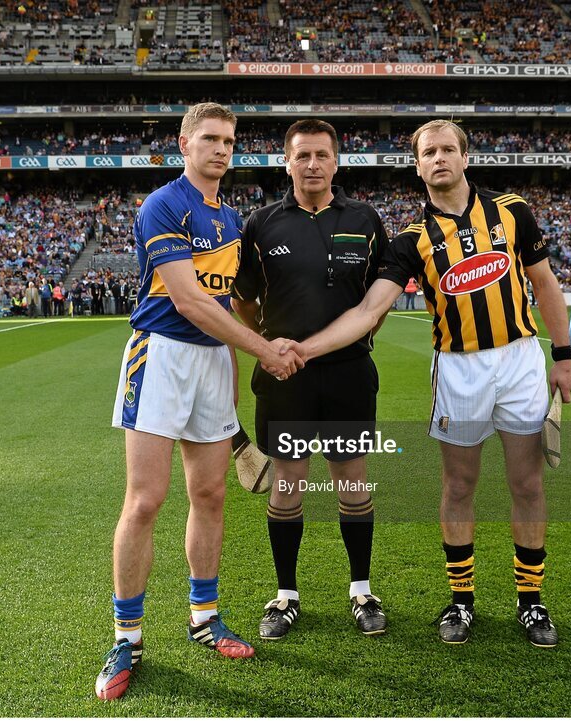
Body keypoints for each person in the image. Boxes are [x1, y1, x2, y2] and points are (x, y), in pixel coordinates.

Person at [280, 120, 571, 648]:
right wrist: (307, 348)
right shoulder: (411, 241)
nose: (438, 159)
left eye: (447, 149)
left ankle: (531, 602)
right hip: (458, 369)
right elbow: (371, 308)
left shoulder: (512, 211)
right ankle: (461, 601)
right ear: (416, 166)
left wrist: (564, 355)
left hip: (521, 361)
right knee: (459, 486)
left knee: (527, 484)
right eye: (428, 152)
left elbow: (544, 282)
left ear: (465, 157)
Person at [95, 103, 304, 702]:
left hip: (214, 362)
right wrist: (266, 348)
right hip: (160, 355)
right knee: (145, 500)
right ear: (184, 143)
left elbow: (230, 308)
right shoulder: (163, 204)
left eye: (229, 141)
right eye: (209, 138)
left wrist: (245, 366)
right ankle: (127, 637)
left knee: (209, 495)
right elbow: (189, 300)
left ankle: (203, 617)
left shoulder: (232, 219)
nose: (221, 149)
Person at [230, 119, 390, 641]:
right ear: (287, 162)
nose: (313, 165)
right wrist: (270, 349)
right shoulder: (261, 224)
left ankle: (362, 590)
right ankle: (286, 596)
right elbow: (244, 302)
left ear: (336, 162)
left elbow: (374, 302)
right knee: (288, 490)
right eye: (303, 156)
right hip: (285, 380)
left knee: (352, 484)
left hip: (347, 376)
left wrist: (353, 340)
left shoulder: (365, 220)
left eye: (322, 155)